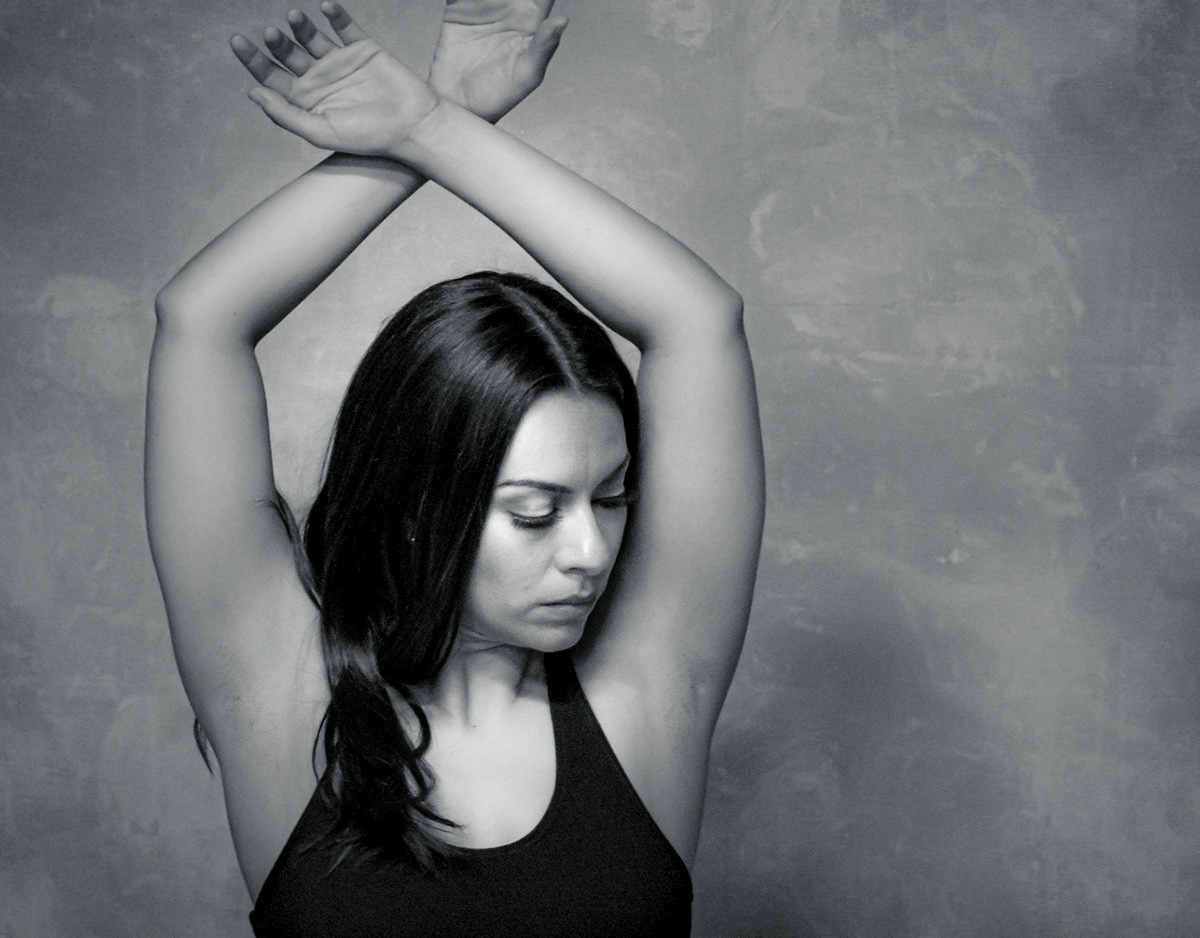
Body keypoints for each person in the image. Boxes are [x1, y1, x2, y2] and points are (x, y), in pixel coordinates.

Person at [145, 1, 764, 934]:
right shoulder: (278, 694)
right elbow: (201, 318)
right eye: (534, 512)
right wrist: (423, 130)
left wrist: (437, 125)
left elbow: (698, 319)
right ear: (413, 507)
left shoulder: (648, 687)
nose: (592, 552)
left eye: (612, 498)